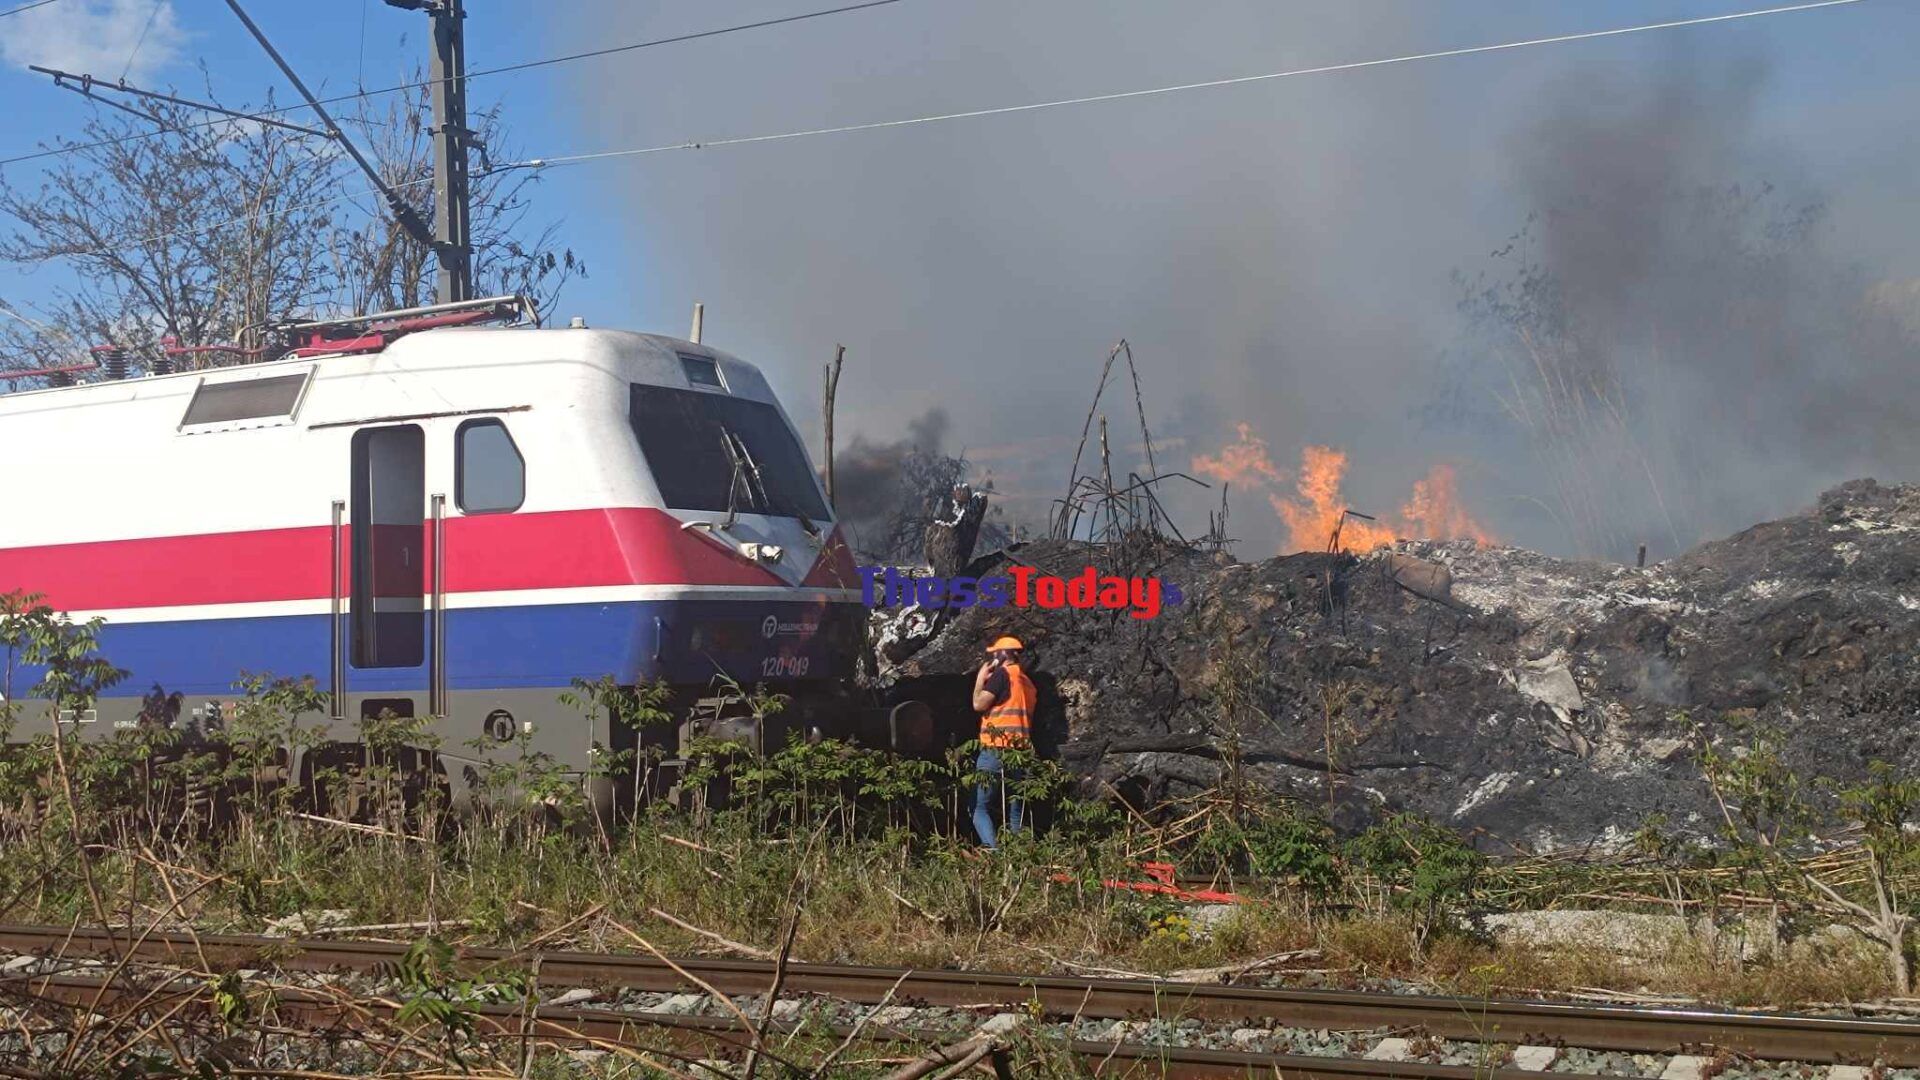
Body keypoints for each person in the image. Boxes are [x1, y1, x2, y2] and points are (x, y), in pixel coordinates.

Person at [971, 635, 1036, 848]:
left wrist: (981, 679)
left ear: (1003, 654)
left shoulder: (1001, 675)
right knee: (1017, 809)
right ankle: (1019, 857)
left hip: (995, 749)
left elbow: (979, 705)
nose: (992, 657)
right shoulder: (1027, 682)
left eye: (994, 654)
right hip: (1021, 752)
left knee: (979, 807)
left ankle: (993, 854)